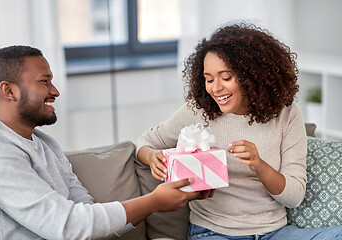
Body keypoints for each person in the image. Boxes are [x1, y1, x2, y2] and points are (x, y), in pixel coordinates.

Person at [0, 45, 213, 240]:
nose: (55, 91)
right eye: (45, 82)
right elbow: (68, 226)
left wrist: (169, 197)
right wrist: (153, 202)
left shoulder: (45, 144)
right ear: (8, 90)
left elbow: (90, 220)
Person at [136, 23, 342, 239]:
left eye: (226, 78)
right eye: (208, 79)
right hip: (213, 232)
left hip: (275, 232)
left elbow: (294, 196)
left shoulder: (286, 115)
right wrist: (151, 157)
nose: (215, 88)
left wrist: (259, 166)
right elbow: (144, 142)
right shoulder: (198, 111)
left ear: (252, 76)